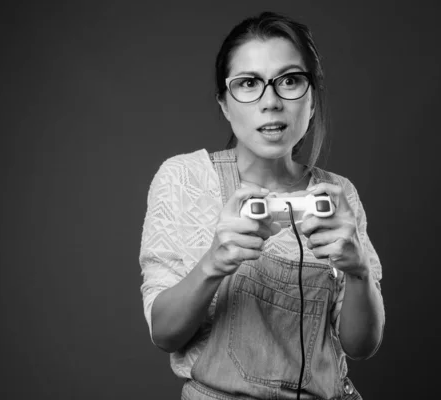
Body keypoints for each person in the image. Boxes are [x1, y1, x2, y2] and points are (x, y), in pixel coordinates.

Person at [139, 11, 385, 400]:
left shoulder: (339, 194)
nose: (270, 102)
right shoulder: (185, 178)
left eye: (289, 80)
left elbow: (361, 346)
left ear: (313, 97)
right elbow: (164, 334)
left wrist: (358, 274)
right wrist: (214, 263)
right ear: (224, 103)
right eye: (249, 83)